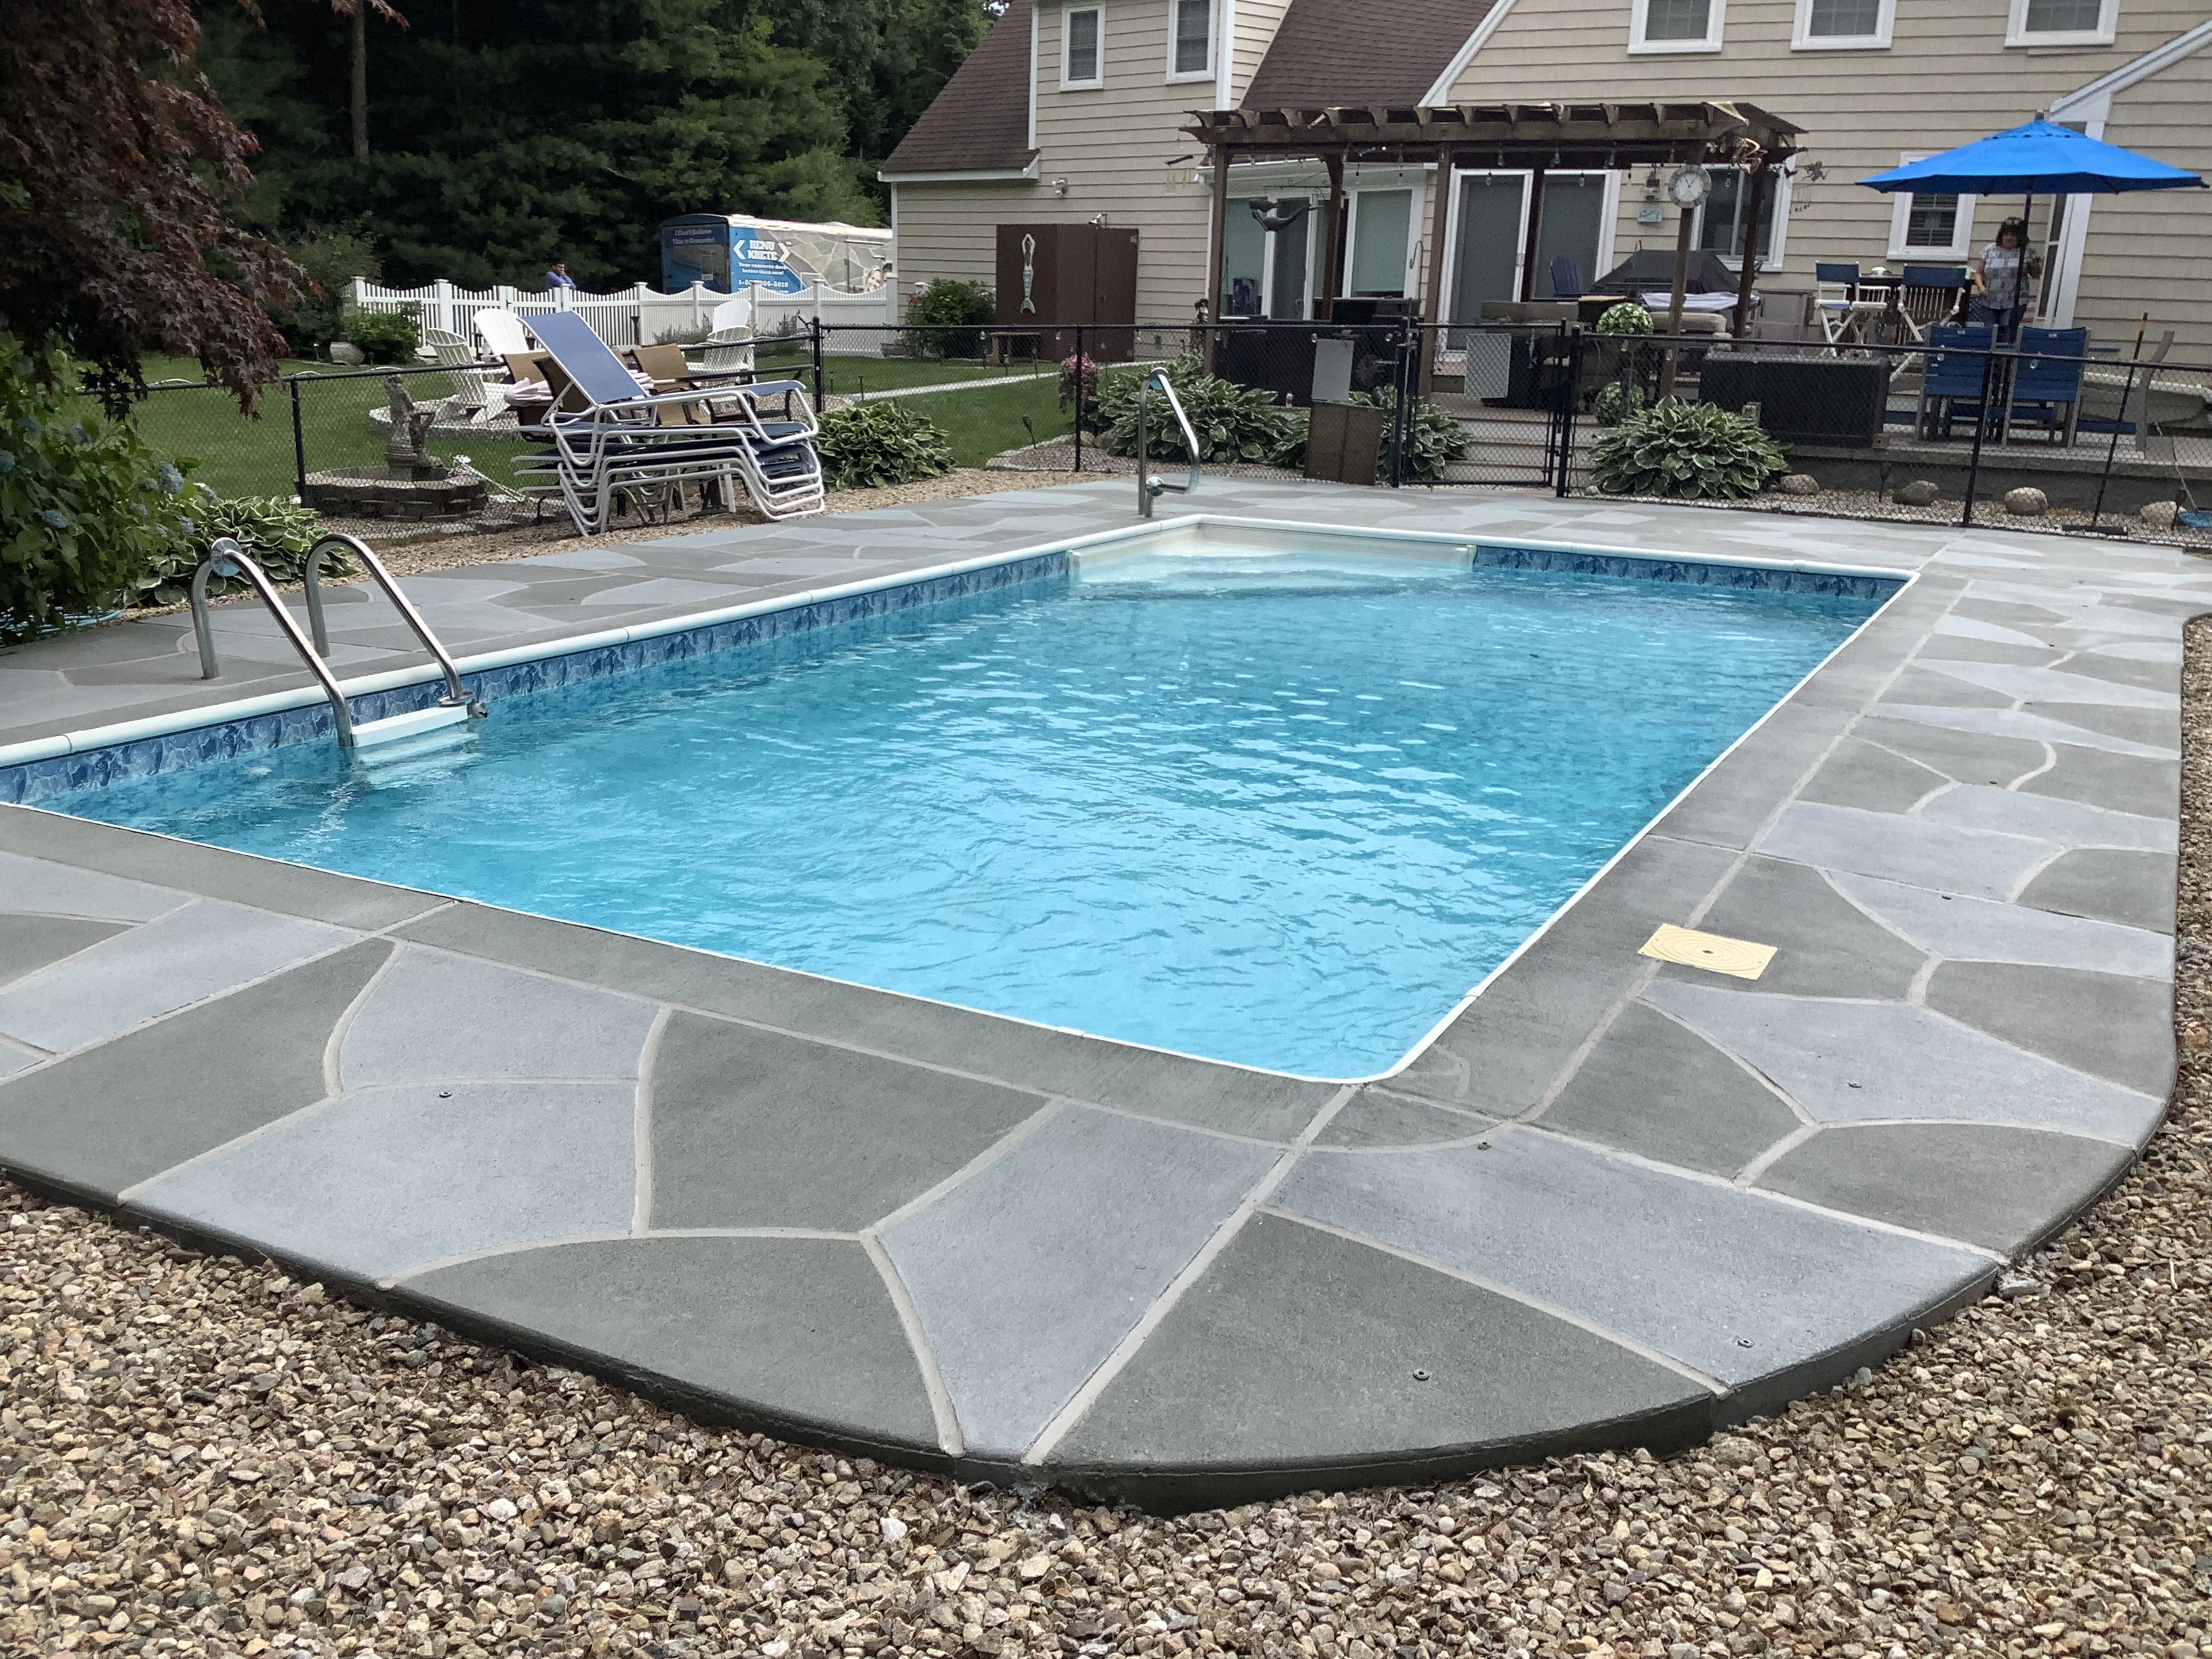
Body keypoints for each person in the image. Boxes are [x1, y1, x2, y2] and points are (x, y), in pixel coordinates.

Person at [1972, 219, 2041, 342]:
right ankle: (1990, 360)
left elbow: (2035, 274)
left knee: (2007, 333)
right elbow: (1979, 272)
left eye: (2013, 235)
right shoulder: (1990, 250)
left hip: (2014, 301)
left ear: (2020, 237)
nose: (2009, 238)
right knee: (1990, 333)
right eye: (2006, 234)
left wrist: (2035, 264)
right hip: (1990, 300)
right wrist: (1980, 286)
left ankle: (2004, 360)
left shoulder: (2027, 251)